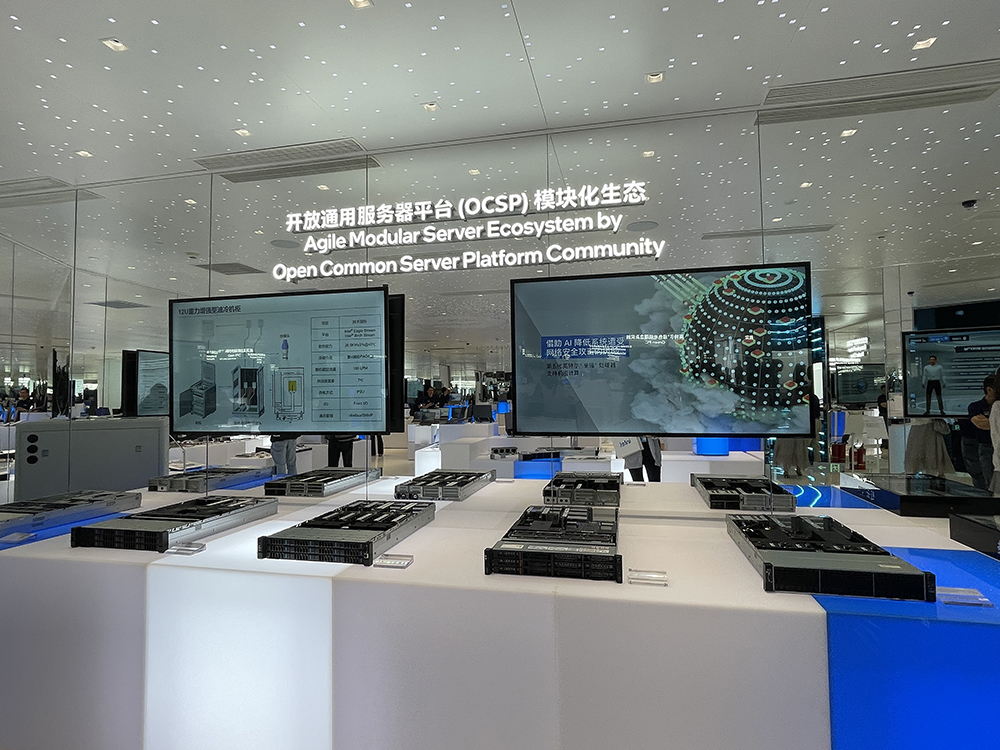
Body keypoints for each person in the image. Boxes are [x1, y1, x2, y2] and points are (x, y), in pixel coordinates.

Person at [967, 376, 995, 491]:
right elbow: (980, 424)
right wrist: (995, 422)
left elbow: (987, 423)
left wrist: (988, 420)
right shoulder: (975, 406)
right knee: (990, 481)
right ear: (989, 389)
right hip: (986, 446)